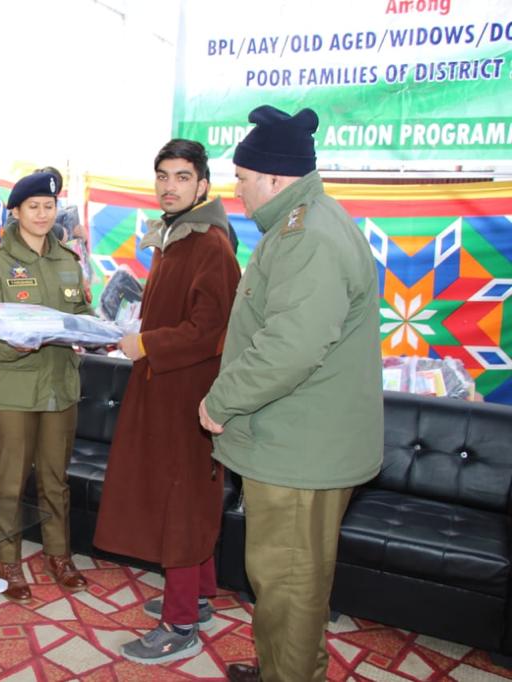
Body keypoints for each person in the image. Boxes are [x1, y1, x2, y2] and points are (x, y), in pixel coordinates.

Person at [199, 105, 383, 682]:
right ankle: (285, 668)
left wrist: (219, 401)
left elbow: (290, 347)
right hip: (296, 442)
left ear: (274, 179)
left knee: (291, 583)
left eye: (243, 178)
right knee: (284, 580)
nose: (238, 188)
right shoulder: (299, 224)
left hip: (302, 452)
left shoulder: (308, 236)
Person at [92, 140, 241, 664]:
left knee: (181, 504)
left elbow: (210, 330)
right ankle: (198, 597)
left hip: (188, 398)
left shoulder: (210, 244)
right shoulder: (180, 235)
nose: (169, 186)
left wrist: (146, 343)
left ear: (203, 185)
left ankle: (179, 626)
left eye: (182, 177)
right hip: (166, 390)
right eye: (162, 176)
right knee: (184, 497)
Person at [0, 171, 93, 603]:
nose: (42, 214)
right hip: (12, 387)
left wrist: (97, 328)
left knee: (56, 479)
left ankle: (59, 555)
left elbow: (82, 314)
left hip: (60, 384)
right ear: (16, 211)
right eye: (33, 206)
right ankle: (7, 558)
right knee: (11, 478)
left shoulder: (68, 261)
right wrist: (15, 345)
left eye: (49, 206)